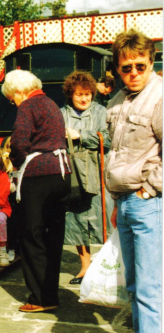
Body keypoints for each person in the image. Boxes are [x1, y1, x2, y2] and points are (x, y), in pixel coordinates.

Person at [105, 29, 162, 333]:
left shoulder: (158, 98)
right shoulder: (117, 102)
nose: (134, 73)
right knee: (135, 285)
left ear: (151, 62)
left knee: (152, 286)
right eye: (126, 68)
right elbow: (115, 153)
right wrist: (116, 200)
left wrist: (149, 189)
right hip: (124, 201)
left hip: (149, 202)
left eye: (140, 66)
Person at [3, 69, 71, 313]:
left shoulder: (28, 106)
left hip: (38, 176)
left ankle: (41, 297)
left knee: (31, 236)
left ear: (19, 91)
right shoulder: (52, 103)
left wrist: (15, 162)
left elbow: (19, 142)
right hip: (62, 173)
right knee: (53, 237)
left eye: (12, 98)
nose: (14, 102)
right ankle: (50, 292)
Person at [59, 71, 112, 285]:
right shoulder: (61, 113)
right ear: (70, 94)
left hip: (97, 171)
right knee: (77, 218)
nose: (84, 98)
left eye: (88, 94)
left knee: (103, 218)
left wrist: (81, 136)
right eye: (79, 94)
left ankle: (109, 268)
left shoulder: (101, 111)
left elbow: (107, 139)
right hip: (73, 172)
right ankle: (85, 267)